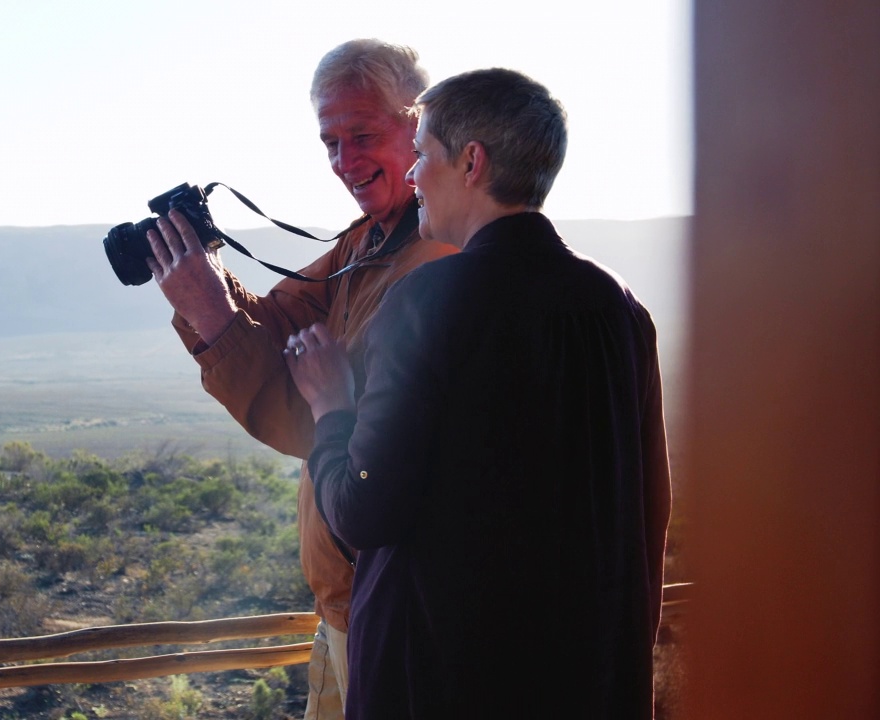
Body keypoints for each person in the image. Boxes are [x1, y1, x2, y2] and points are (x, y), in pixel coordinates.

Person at [285, 68, 672, 718]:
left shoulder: (426, 302)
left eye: (422, 155)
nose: (410, 177)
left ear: (472, 162)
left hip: (438, 684)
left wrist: (330, 410)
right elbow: (648, 509)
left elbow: (363, 511)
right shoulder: (617, 305)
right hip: (585, 680)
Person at [143, 39, 455, 718]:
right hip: (346, 598)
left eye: (363, 135)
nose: (345, 162)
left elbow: (307, 421)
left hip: (391, 606)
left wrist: (210, 311)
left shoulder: (435, 262)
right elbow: (280, 326)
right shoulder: (368, 240)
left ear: (420, 125)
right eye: (330, 143)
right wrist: (208, 272)